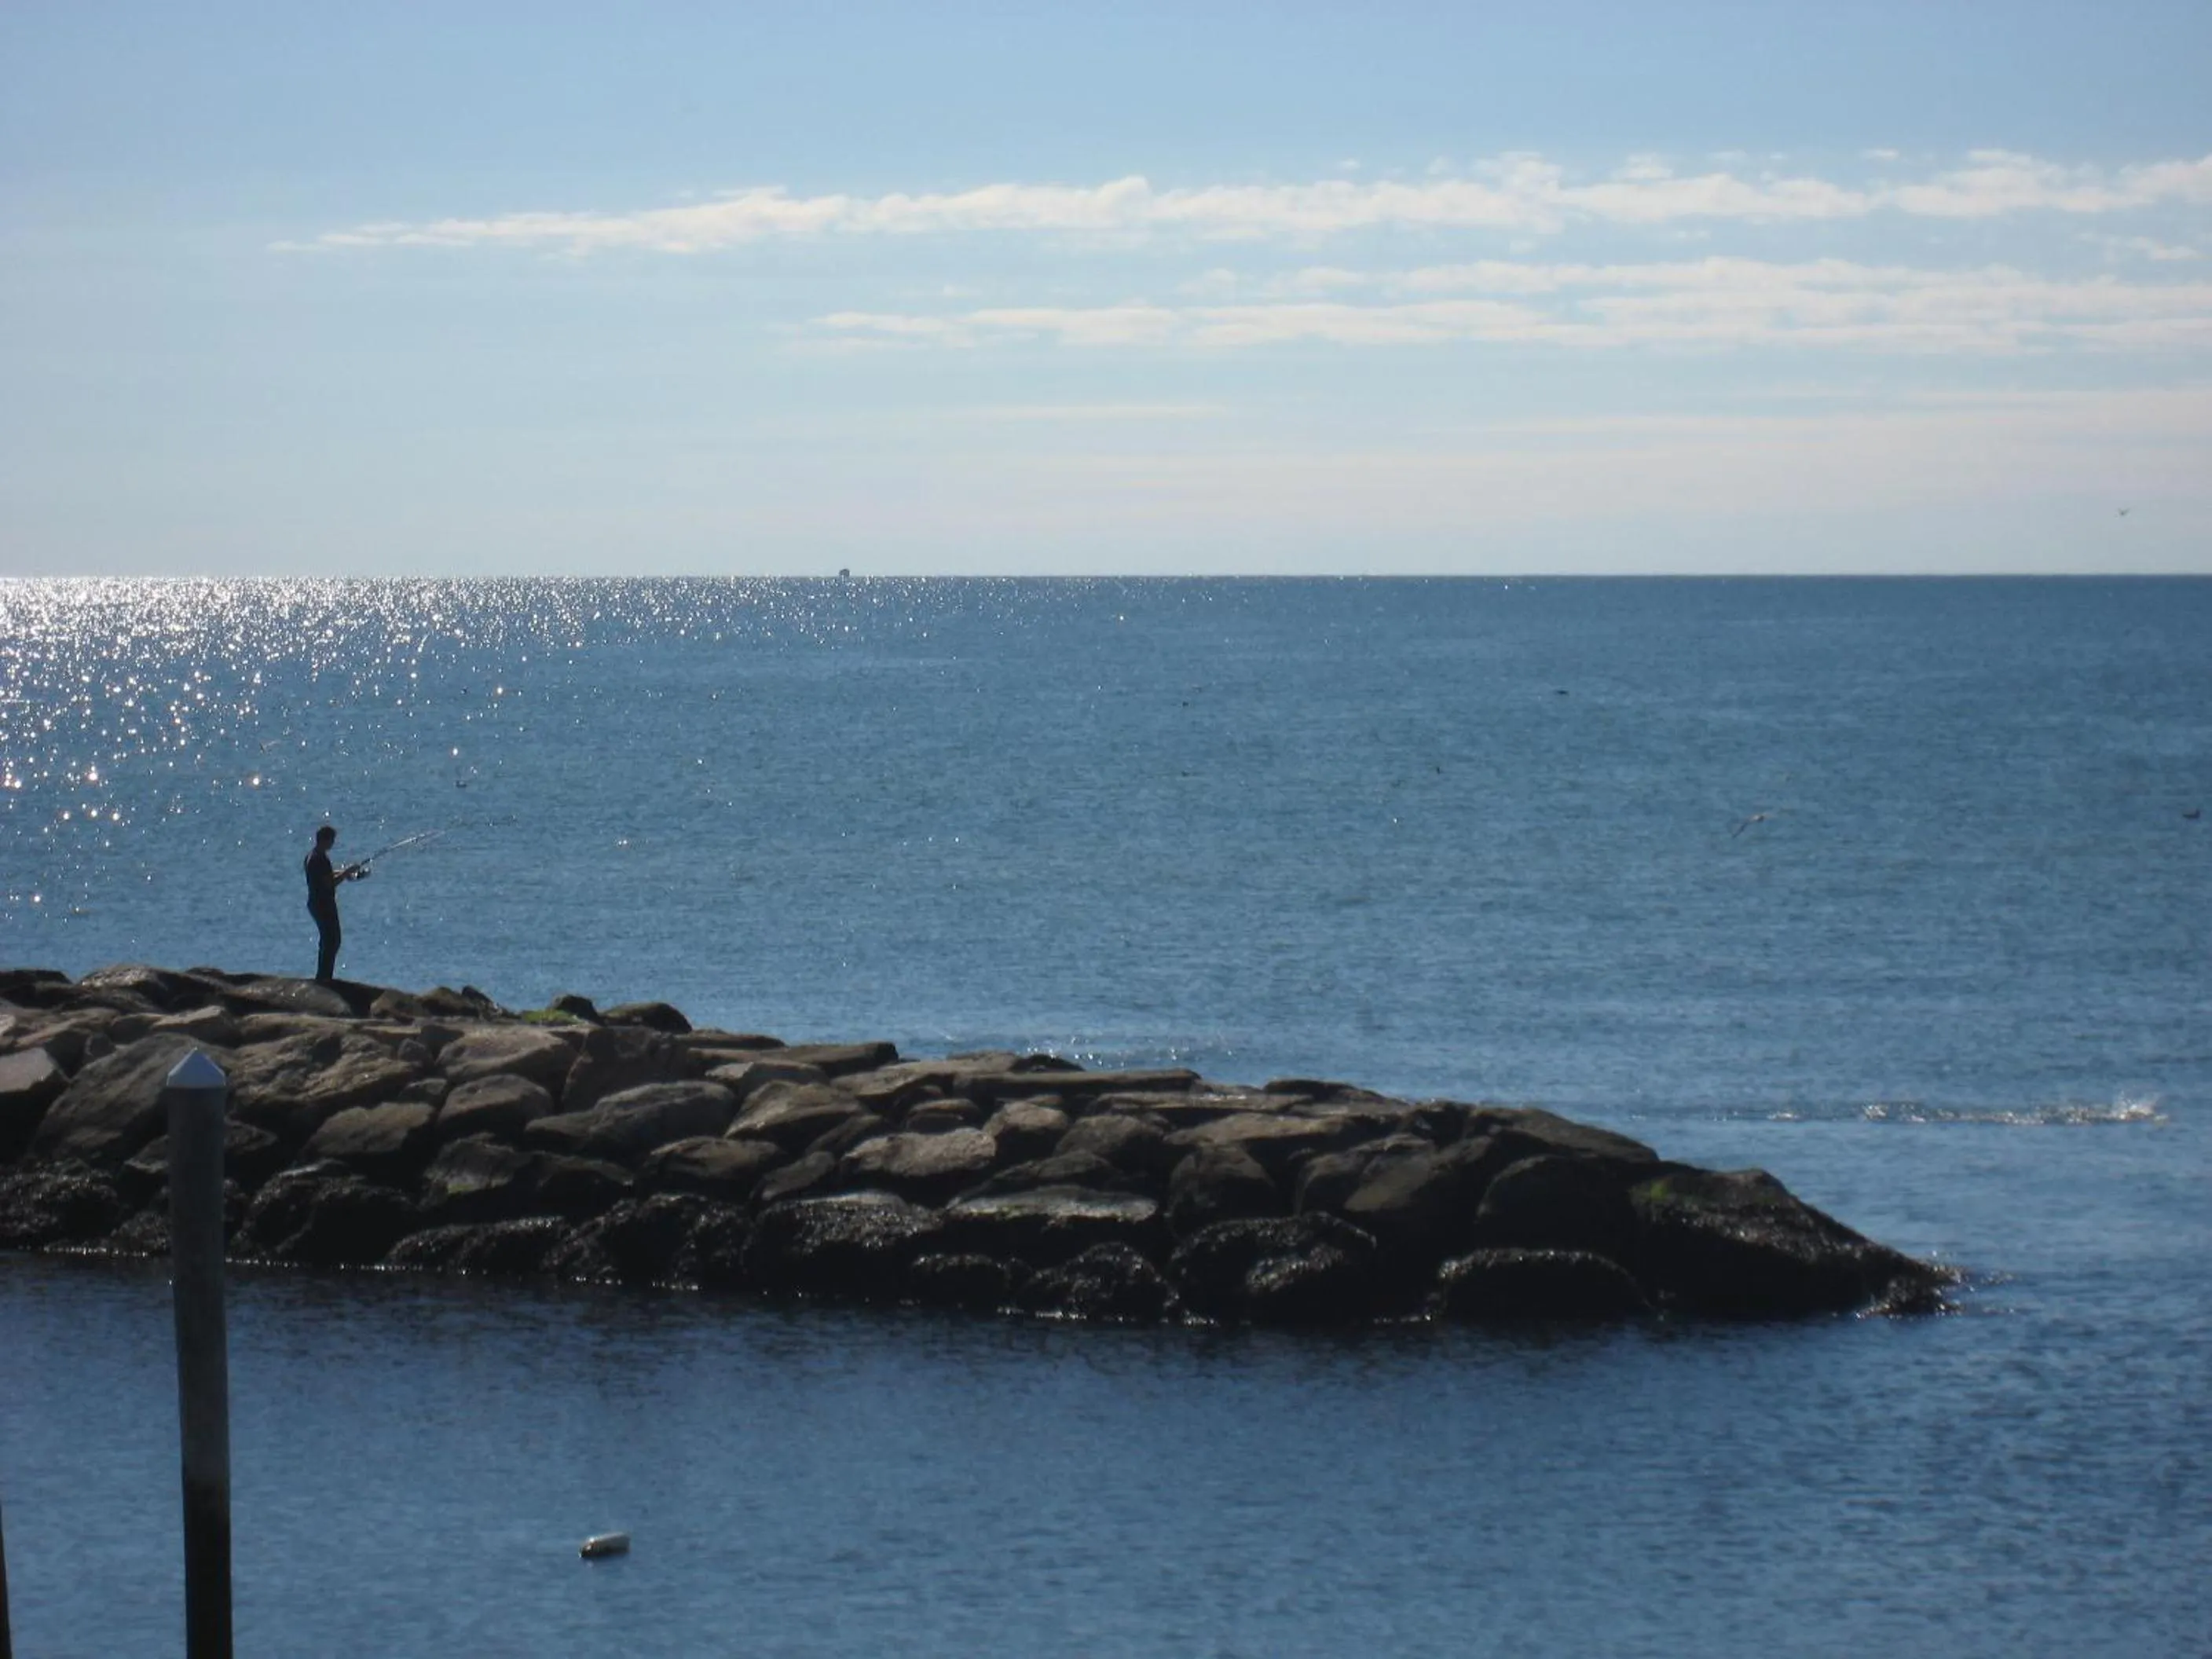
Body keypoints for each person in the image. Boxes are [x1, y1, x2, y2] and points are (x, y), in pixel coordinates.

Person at [304, 824, 368, 983]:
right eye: (332, 840)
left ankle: (323, 976)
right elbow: (329, 883)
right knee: (332, 940)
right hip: (323, 904)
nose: (333, 843)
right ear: (325, 840)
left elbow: (327, 876)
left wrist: (346, 873)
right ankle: (324, 978)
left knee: (327, 940)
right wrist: (346, 873)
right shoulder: (320, 860)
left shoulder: (312, 856)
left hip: (316, 903)